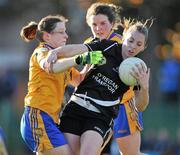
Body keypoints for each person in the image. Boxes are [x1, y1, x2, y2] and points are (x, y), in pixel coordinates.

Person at [47, 13, 150, 155]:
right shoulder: (108, 46)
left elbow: (140, 106)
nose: (133, 46)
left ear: (144, 47)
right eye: (130, 40)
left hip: (101, 116)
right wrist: (56, 52)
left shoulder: (138, 68)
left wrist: (144, 87)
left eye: (139, 44)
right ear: (124, 36)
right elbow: (78, 49)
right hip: (76, 107)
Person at [20, 15, 104, 155]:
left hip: (50, 120)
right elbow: (50, 67)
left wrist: (90, 59)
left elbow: (79, 81)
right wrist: (79, 58)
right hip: (38, 116)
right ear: (47, 36)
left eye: (65, 31)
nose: (66, 35)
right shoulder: (41, 51)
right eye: (61, 32)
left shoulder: (63, 60)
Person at [84, 2, 150, 155]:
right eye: (94, 24)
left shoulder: (135, 64)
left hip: (123, 108)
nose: (98, 28)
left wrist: (144, 87)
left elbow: (140, 105)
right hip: (97, 105)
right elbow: (82, 78)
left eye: (103, 23)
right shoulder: (90, 45)